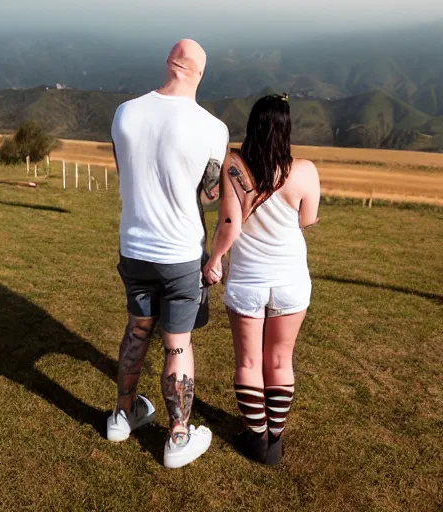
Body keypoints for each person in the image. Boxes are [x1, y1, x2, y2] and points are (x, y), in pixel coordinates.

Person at [108, 39, 229, 469]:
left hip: (134, 246)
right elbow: (210, 195)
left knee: (138, 330)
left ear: (168, 64)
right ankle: (178, 434)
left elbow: (126, 174)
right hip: (180, 252)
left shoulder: (125, 113)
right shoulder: (213, 128)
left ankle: (123, 415)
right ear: (199, 73)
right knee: (178, 346)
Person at [203, 94, 320, 465]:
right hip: (291, 279)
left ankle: (255, 437)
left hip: (248, 279)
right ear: (286, 130)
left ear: (253, 124)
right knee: (281, 359)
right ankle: (275, 441)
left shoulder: (234, 166)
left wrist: (215, 259)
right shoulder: (305, 171)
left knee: (249, 362)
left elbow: (228, 223)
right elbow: (306, 221)